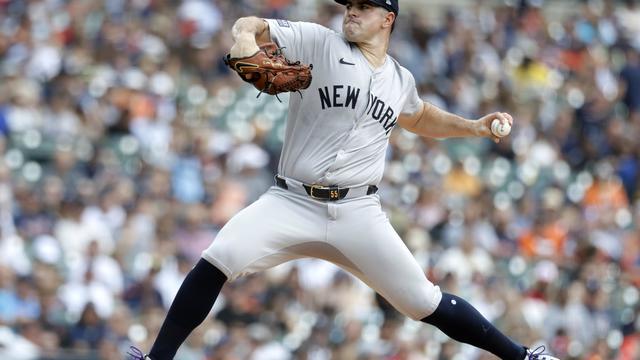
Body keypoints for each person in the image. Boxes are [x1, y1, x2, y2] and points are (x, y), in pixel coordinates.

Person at [128, 1, 559, 359]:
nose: (351, 12)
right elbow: (253, 25)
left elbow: (419, 115)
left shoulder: (399, 79)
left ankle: (523, 357)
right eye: (349, 5)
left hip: (358, 211)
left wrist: (475, 127)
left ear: (387, 18)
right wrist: (244, 38)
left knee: (423, 301)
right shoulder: (319, 40)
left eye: (363, 6)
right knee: (219, 257)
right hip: (291, 201)